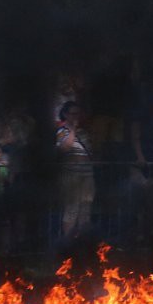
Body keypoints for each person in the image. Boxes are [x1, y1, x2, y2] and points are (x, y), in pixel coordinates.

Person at [55, 101, 95, 238]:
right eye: (72, 114)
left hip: (87, 175)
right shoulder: (62, 131)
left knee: (85, 209)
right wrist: (72, 130)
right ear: (65, 114)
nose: (75, 117)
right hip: (72, 176)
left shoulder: (83, 132)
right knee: (71, 209)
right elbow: (64, 148)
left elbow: (91, 152)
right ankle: (67, 242)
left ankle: (82, 243)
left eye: (77, 114)